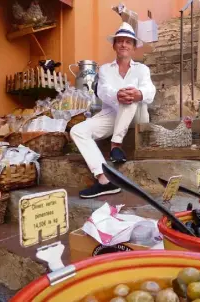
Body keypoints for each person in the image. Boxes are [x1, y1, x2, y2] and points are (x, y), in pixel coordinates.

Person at [70, 22, 156, 199]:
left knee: (130, 96)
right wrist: (117, 95)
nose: (124, 44)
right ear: (114, 45)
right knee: (77, 131)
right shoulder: (105, 70)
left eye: (128, 42)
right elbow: (102, 91)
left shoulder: (142, 69)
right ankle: (104, 180)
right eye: (120, 41)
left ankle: (115, 145)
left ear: (133, 47)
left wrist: (137, 93)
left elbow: (150, 91)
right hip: (113, 114)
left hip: (137, 115)